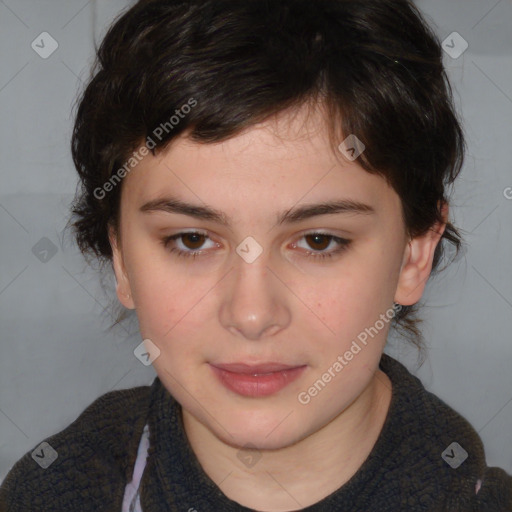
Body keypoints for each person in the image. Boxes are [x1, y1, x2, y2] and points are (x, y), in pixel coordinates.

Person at [1, 0, 511, 510]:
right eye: (192, 240)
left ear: (414, 255)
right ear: (121, 256)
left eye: (318, 241)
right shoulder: (46, 494)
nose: (251, 314)